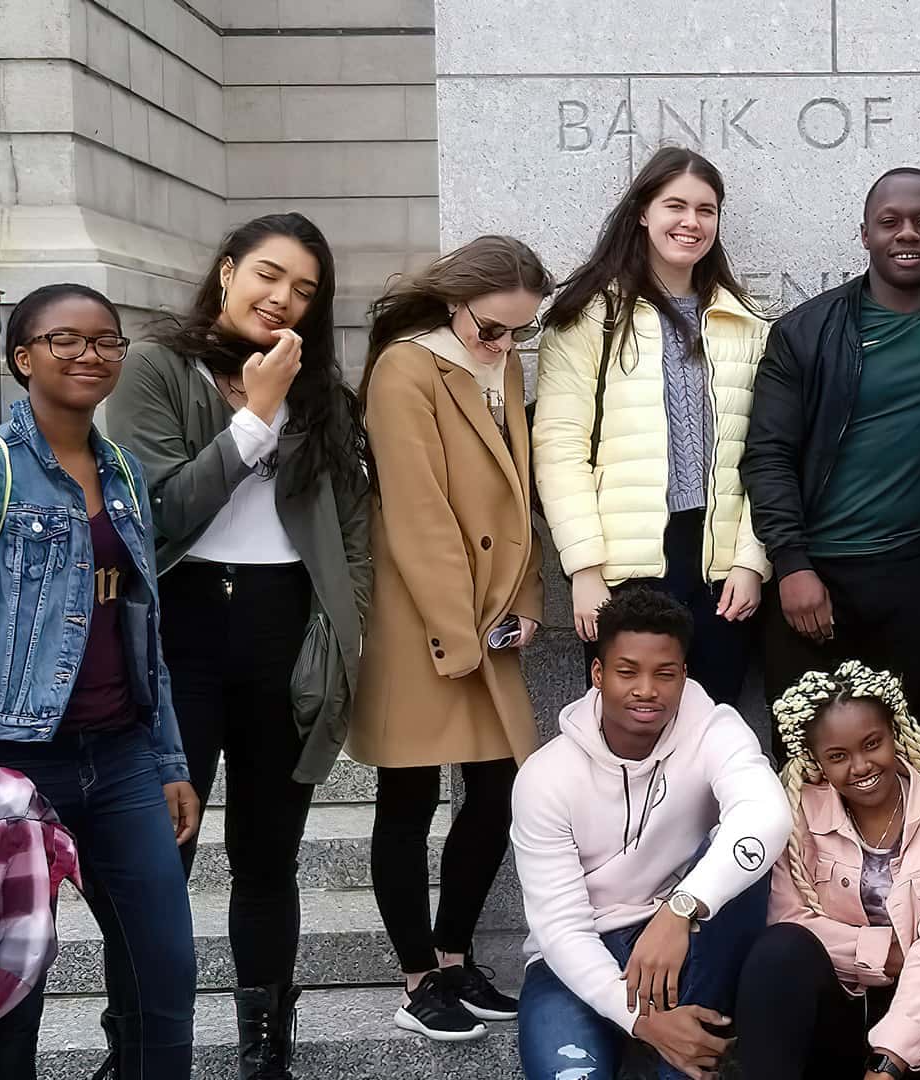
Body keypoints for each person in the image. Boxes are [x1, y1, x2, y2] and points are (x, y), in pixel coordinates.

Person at [0, 283, 198, 1077]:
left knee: (165, 971)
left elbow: (145, 629)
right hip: (10, 766)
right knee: (9, 996)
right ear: (22, 357)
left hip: (124, 756)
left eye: (106, 340)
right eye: (64, 340)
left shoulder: (126, 474)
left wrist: (170, 760)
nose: (88, 355)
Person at [110, 212, 371, 1078]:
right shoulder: (155, 368)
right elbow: (158, 514)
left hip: (284, 633)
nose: (283, 298)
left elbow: (354, 527)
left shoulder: (325, 390)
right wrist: (254, 418)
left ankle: (265, 1047)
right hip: (179, 633)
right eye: (268, 274)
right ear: (226, 273)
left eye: (305, 289)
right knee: (157, 861)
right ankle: (142, 1045)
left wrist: (349, 620)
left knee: (269, 857)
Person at [351, 236, 552, 1039]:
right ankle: (414, 982)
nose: (505, 345)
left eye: (520, 333)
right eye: (494, 328)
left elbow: (518, 490)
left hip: (493, 611)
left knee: (501, 788)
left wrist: (529, 594)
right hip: (421, 617)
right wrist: (453, 629)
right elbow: (417, 510)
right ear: (455, 300)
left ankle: (454, 955)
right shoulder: (405, 367)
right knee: (408, 794)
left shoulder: (496, 362)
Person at [744, 167, 920, 715]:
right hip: (815, 574)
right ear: (865, 235)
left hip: (911, 573)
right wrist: (792, 564)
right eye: (890, 222)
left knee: (902, 749)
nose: (907, 233)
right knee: (802, 758)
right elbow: (768, 454)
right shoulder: (804, 333)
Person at [512, 588, 792, 1080]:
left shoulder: (713, 729)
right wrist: (642, 1020)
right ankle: (659, 1043)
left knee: (738, 861)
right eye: (627, 672)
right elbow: (560, 929)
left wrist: (681, 908)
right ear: (598, 674)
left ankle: (678, 1058)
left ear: (684, 675)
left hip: (685, 943)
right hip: (580, 960)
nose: (647, 689)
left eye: (665, 674)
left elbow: (766, 815)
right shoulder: (544, 777)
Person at [535, 146, 770, 706]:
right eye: (675, 206)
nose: (691, 223)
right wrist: (585, 571)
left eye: (706, 210)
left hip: (717, 567)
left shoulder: (746, 322)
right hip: (625, 565)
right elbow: (559, 447)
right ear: (643, 211)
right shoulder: (591, 315)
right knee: (628, 726)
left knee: (712, 725)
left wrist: (751, 561)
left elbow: (766, 451)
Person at [735, 661, 920, 1080]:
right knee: (779, 951)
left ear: (895, 735)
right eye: (838, 756)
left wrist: (889, 1058)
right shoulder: (797, 817)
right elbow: (791, 919)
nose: (860, 766)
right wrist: (885, 953)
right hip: (845, 1008)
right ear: (818, 761)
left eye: (872, 743)